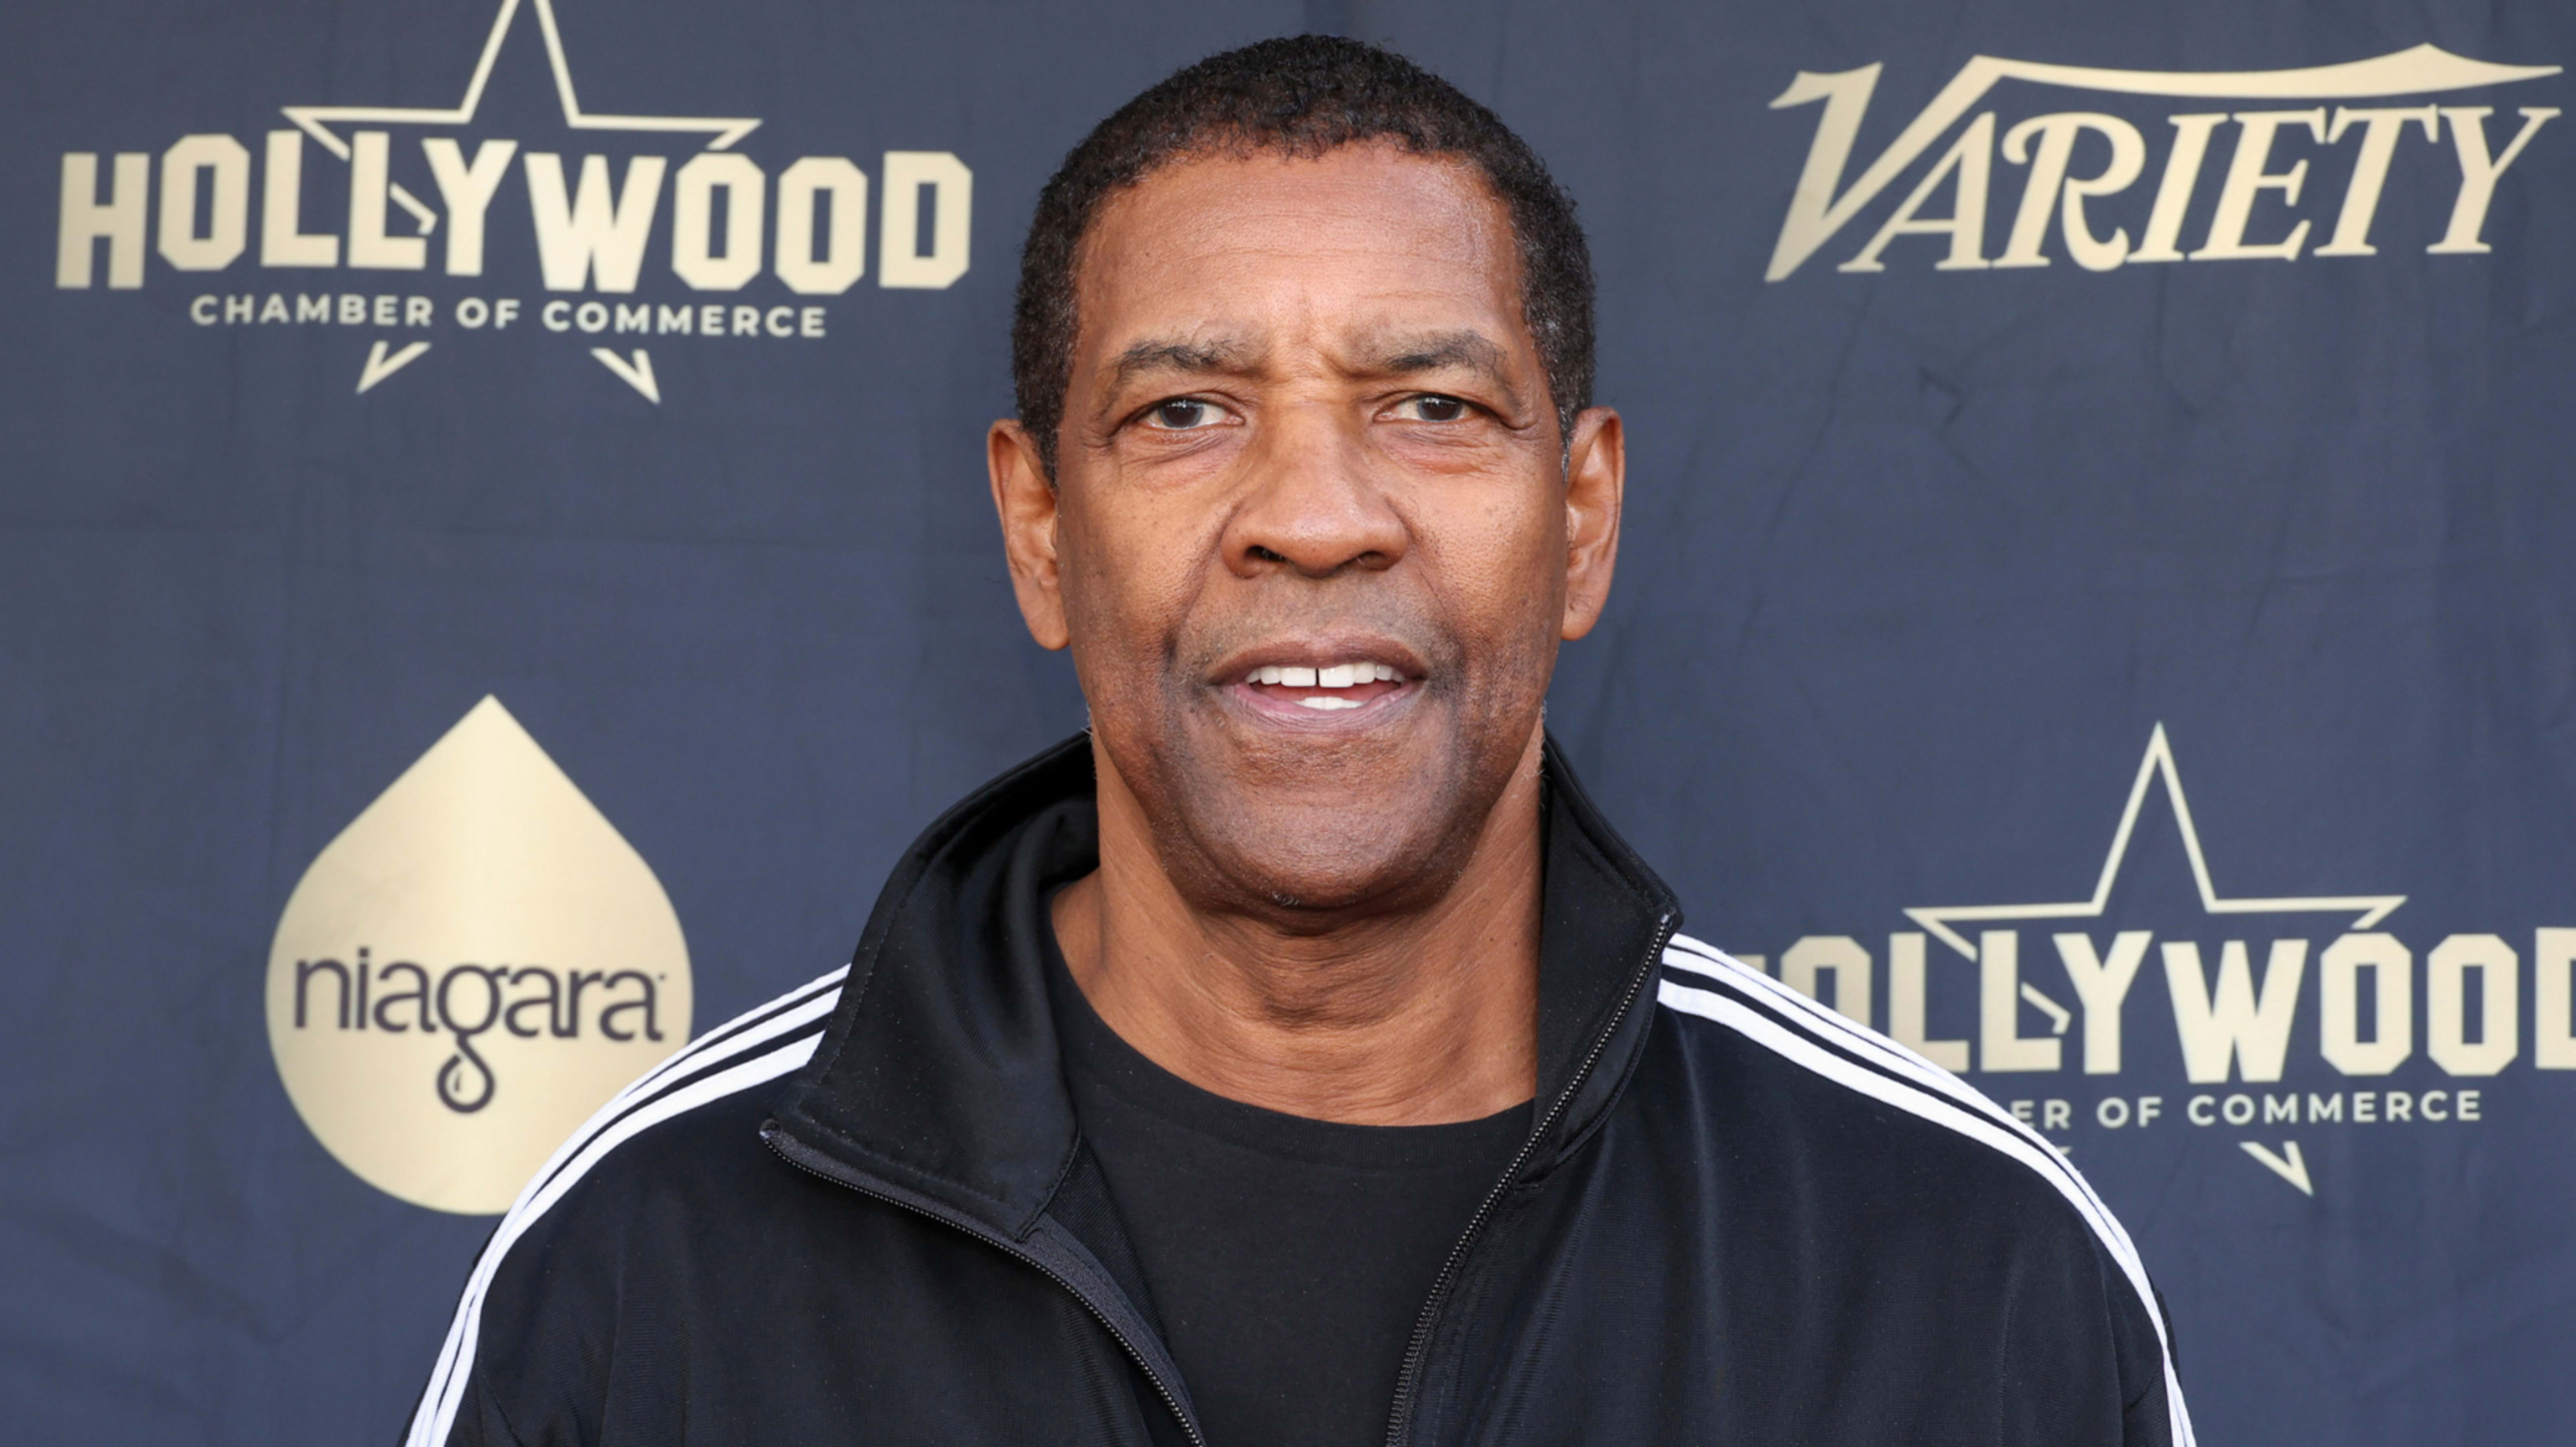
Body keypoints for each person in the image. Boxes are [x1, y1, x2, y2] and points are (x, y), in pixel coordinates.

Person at [405, 35, 2190, 1447]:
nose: (1317, 515)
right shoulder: (658, 1261)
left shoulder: (1960, 1267)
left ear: (1580, 519)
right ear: (1040, 529)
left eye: (1429, 407)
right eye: (1186, 412)